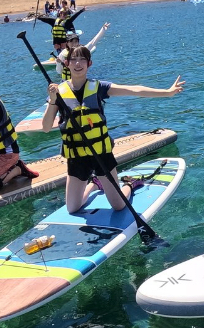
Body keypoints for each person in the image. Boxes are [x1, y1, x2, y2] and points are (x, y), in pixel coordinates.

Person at [40, 45, 185, 214]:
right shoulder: (59, 92)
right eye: (74, 59)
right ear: (66, 63)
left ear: (89, 64)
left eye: (82, 60)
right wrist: (52, 100)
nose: (78, 63)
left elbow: (133, 90)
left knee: (119, 206)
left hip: (101, 154)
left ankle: (130, 184)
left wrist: (167, 92)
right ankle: (94, 185)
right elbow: (45, 128)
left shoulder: (99, 87)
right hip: (77, 157)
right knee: (72, 208)